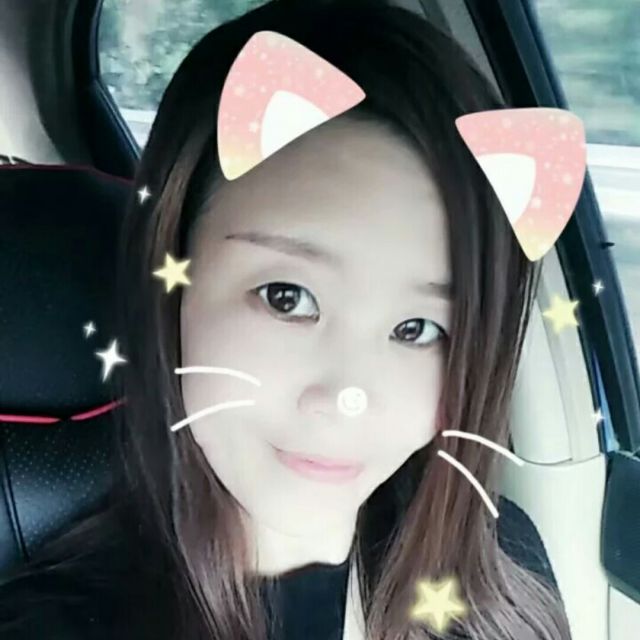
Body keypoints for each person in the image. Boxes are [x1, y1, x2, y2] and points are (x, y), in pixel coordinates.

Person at [0, 0, 572, 638]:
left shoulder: (508, 578)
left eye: (417, 330)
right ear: (171, 279)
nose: (344, 398)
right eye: (286, 297)